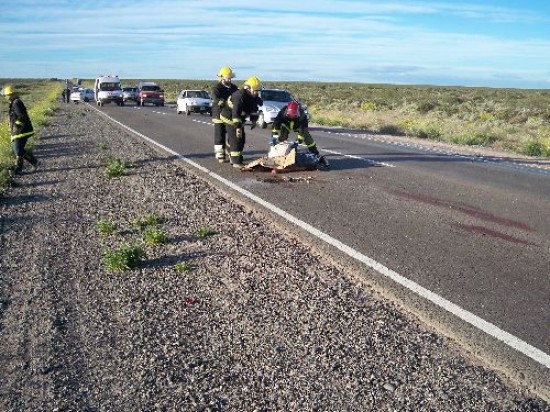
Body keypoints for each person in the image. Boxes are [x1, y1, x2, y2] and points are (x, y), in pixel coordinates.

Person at [221, 76, 263, 167]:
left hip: (239, 118)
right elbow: (235, 113)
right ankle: (236, 161)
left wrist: (254, 121)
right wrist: (237, 127)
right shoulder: (239, 96)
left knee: (242, 139)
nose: (257, 93)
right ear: (249, 88)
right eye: (256, 90)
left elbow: (253, 109)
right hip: (229, 117)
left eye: (258, 91)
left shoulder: (252, 96)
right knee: (237, 139)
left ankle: (229, 148)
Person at [3, 85, 38, 174]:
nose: (5, 97)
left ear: (11, 94)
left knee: (18, 150)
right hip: (19, 132)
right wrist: (10, 126)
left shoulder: (16, 103)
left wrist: (16, 128)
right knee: (18, 150)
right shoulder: (13, 103)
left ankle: (30, 163)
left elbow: (22, 117)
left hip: (22, 132)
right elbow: (15, 117)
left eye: (6, 95)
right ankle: (19, 169)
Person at [211, 66, 238, 163]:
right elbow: (216, 100)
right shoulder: (217, 88)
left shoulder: (234, 88)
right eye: (227, 78)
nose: (229, 79)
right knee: (219, 135)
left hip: (230, 115)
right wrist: (223, 103)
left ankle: (230, 150)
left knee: (232, 134)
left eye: (230, 78)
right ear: (222, 78)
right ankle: (220, 153)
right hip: (218, 115)